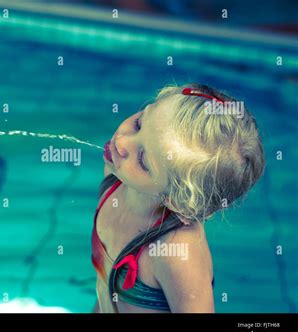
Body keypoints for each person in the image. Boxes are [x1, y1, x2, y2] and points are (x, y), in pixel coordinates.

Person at [92, 83, 265, 313]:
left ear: (180, 203)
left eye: (144, 161)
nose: (122, 142)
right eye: (139, 123)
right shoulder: (116, 179)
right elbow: (105, 286)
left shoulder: (177, 253)